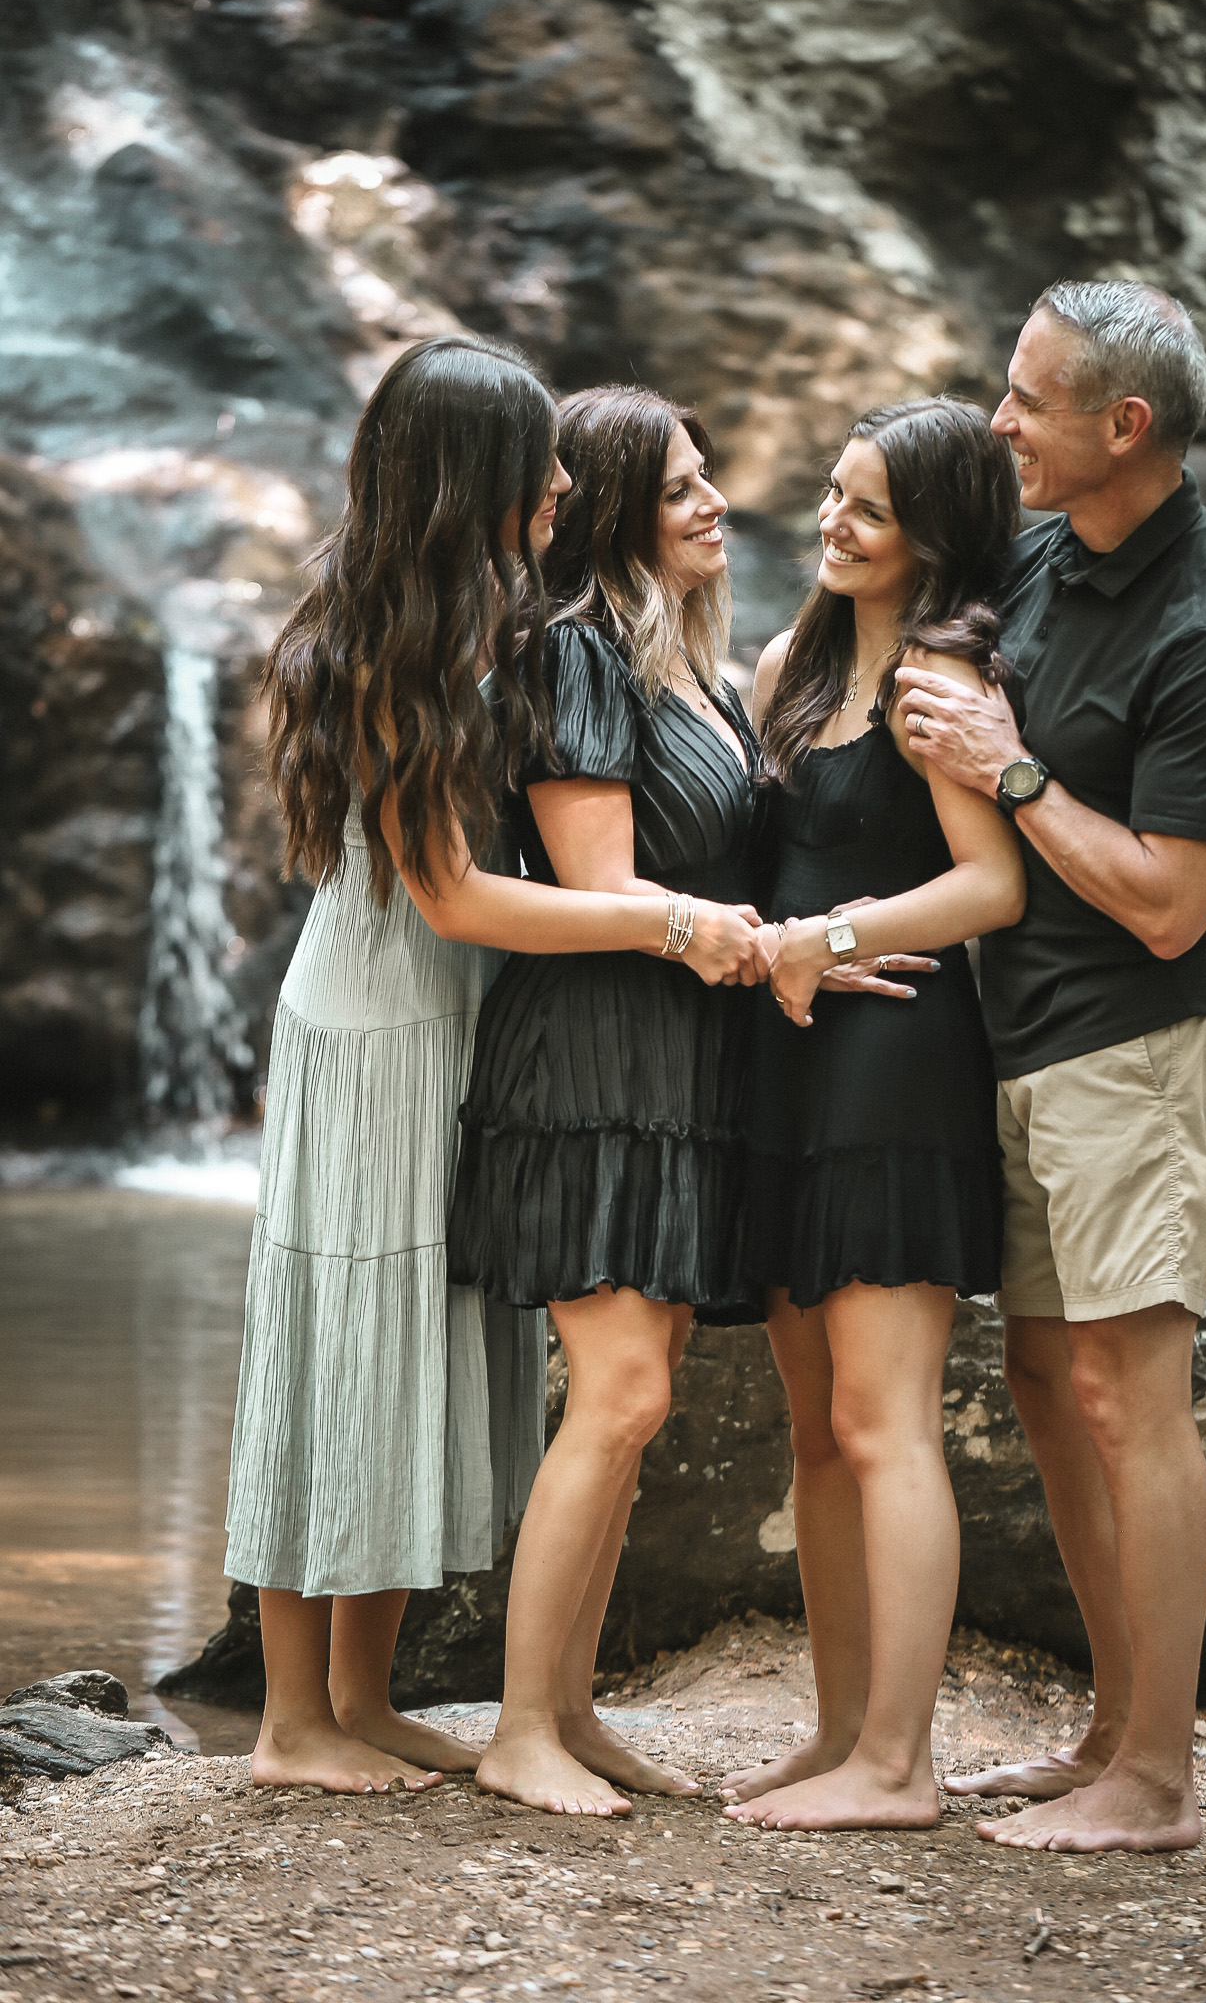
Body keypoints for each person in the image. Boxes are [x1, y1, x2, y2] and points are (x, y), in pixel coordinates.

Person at [226, 339, 763, 1796]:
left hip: (460, 1018)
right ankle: (288, 1725)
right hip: (374, 1028)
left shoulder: (470, 624)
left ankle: (363, 1693)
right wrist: (668, 921)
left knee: (412, 1345)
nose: (563, 485)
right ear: (472, 473)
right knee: (341, 1346)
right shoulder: (372, 646)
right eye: (540, 461)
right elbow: (451, 895)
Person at [896, 281, 1206, 1853]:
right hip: (1024, 1029)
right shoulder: (1044, 547)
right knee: (1048, 1386)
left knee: (1132, 1399)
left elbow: (1169, 897)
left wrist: (1013, 768)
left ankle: (1159, 1783)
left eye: (1026, 399)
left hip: (1144, 1039)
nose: (999, 423)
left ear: (1121, 426)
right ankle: (1110, 1731)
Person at [449, 385, 779, 1817]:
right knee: (620, 1392)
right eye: (681, 488)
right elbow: (595, 888)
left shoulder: (686, 667)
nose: (713, 504)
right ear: (615, 515)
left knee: (634, 1408)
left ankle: (572, 1709)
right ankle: (519, 1728)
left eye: (709, 482)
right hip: (590, 1059)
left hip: (675, 1062)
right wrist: (739, 937)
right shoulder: (579, 651)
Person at [718, 399, 1026, 1832]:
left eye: (870, 512)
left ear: (936, 538)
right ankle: (837, 1733)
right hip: (783, 1067)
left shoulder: (938, 676)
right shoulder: (791, 661)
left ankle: (899, 1766)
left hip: (895, 1063)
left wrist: (822, 942)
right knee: (812, 1430)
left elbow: (989, 888)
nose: (834, 527)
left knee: (881, 1419)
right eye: (834, 500)